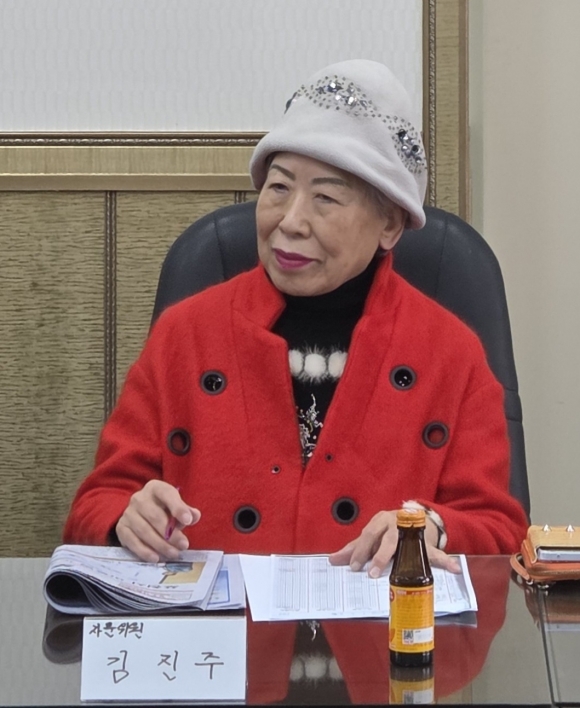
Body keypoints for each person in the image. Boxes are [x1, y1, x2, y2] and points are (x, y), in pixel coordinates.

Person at [63, 60, 528, 577]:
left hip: (382, 624)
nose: (290, 221)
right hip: (218, 624)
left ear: (390, 224)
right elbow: (96, 503)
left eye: (325, 198)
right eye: (279, 188)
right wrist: (127, 518)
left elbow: (500, 530)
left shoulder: (451, 352)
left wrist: (432, 527)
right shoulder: (185, 334)